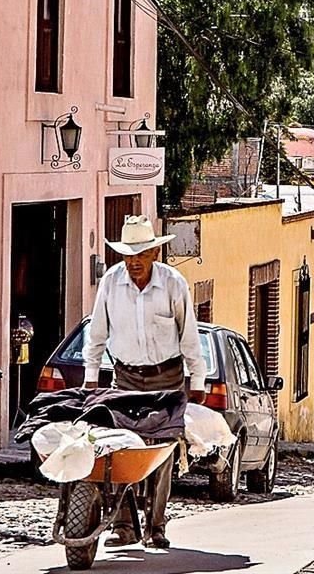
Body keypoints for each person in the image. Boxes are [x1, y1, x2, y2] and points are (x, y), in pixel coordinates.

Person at [83, 215, 207, 549]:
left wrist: (198, 379)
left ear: (154, 254)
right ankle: (124, 525)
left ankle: (156, 526)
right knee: (120, 449)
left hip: (166, 377)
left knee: (161, 452)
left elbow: (189, 334)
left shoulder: (172, 283)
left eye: (141, 254)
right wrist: (91, 378)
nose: (134, 262)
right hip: (124, 377)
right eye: (128, 255)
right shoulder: (111, 283)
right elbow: (96, 334)